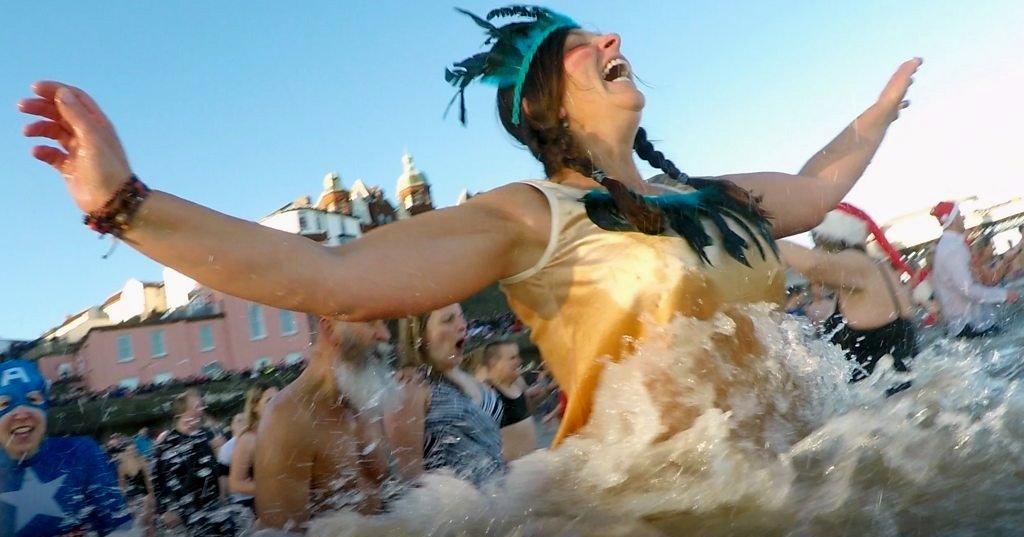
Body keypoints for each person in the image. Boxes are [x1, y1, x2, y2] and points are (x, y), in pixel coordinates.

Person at [18, 6, 920, 448]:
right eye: (581, 43)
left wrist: (878, 115)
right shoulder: (530, 217)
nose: (610, 37)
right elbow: (322, 275)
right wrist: (124, 202)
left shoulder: (711, 196)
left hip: (805, 470)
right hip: (668, 524)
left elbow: (811, 186)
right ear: (544, 99)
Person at [255, 318, 401, 530]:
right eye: (370, 322)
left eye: (383, 322)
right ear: (330, 329)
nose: (385, 335)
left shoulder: (363, 402)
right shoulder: (288, 418)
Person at [0, 360, 135, 537]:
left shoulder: (81, 454)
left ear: (45, 406)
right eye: (4, 405)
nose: (22, 413)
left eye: (33, 399)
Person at [779, 206, 918, 394]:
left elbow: (814, 265)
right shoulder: (878, 266)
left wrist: (764, 241)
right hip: (904, 394)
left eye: (815, 239)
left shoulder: (855, 263)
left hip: (885, 405)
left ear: (826, 239)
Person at [396, 304, 506, 487]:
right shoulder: (412, 385)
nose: (463, 325)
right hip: (458, 510)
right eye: (448, 320)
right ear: (420, 336)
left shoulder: (474, 381)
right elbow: (408, 477)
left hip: (501, 498)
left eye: (462, 317)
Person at [152, 388, 239, 537]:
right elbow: (157, 479)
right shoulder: (166, 443)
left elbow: (214, 468)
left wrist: (223, 494)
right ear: (183, 412)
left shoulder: (202, 436)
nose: (202, 409)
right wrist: (163, 511)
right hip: (191, 512)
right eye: (197, 406)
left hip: (214, 505)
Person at [929, 202, 1019, 338]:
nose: (963, 218)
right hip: (969, 327)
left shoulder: (949, 246)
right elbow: (968, 289)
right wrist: (1003, 295)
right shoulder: (952, 249)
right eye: (959, 214)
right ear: (952, 219)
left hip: (968, 325)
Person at [480, 340, 537, 460]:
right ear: (494, 363)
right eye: (512, 358)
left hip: (532, 463)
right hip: (511, 471)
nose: (519, 361)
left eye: (518, 357)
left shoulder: (518, 384)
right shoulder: (485, 394)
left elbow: (526, 414)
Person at [227, 386, 278, 510]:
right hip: (265, 508)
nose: (276, 404)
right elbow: (235, 484)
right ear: (255, 407)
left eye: (279, 398)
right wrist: (275, 489)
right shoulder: (248, 439)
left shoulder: (284, 432)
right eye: (269, 400)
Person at [111, 440, 156, 537]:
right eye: (130, 450)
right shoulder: (121, 466)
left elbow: (148, 480)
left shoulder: (142, 461)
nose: (133, 451)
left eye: (134, 449)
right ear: (125, 452)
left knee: (148, 520)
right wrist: (123, 500)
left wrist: (152, 495)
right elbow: (121, 485)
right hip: (132, 497)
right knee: (142, 523)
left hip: (144, 494)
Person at [217, 413, 248, 500]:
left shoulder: (258, 439)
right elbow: (223, 474)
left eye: (246, 420)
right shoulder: (227, 448)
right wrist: (223, 496)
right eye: (239, 421)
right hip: (240, 498)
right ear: (231, 426)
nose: (243, 423)